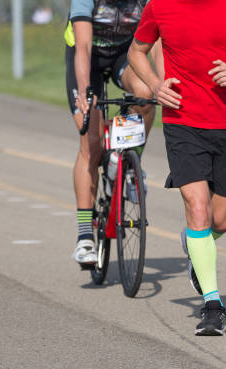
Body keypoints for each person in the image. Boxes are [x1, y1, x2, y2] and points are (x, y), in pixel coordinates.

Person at [127, 0, 226, 335]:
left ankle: (195, 242)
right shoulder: (160, 6)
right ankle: (213, 306)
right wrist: (155, 86)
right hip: (183, 122)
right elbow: (136, 52)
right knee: (197, 207)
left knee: (220, 219)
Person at [66, 0, 163, 265]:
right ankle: (85, 237)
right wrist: (86, 92)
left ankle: (130, 164)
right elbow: (83, 47)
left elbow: (156, 43)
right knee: (91, 144)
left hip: (127, 54)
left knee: (144, 96)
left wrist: (161, 85)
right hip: (89, 59)